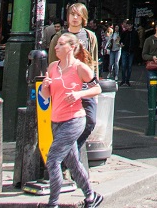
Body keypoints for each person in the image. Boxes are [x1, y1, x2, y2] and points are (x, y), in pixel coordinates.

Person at [40, 32, 103, 208]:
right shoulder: (53, 67)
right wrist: (45, 88)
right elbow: (47, 96)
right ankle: (91, 196)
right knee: (73, 162)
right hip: (56, 120)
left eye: (61, 44)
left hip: (74, 119)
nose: (56, 47)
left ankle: (53, 203)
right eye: (56, 44)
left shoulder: (80, 68)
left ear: (71, 48)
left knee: (53, 160)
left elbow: (96, 88)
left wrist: (78, 94)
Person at [47, 3, 99, 150]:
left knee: (90, 121)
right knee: (63, 122)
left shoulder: (90, 36)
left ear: (84, 18)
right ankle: (67, 159)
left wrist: (94, 88)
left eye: (79, 15)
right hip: (65, 86)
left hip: (84, 85)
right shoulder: (59, 37)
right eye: (72, 14)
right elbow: (52, 63)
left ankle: (70, 151)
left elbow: (93, 62)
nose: (75, 18)